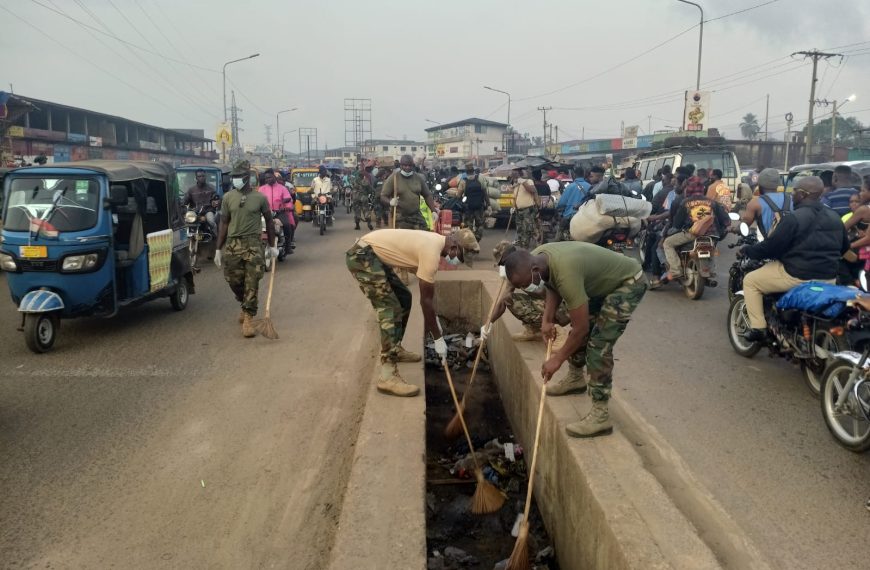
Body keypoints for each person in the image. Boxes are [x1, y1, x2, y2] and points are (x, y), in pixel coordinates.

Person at [502, 242, 647, 438]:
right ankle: (576, 378)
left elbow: (581, 329)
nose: (525, 288)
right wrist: (546, 320)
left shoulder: (566, 273)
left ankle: (600, 415)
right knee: (579, 333)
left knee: (598, 345)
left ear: (534, 270)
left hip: (627, 283)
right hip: (599, 284)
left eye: (524, 284)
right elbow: (553, 286)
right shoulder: (537, 259)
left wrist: (557, 359)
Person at [346, 228, 480, 397]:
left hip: (373, 256)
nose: (456, 262)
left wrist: (435, 322)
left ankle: (396, 348)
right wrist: (438, 339)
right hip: (362, 256)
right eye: (459, 257)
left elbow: (427, 299)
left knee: (404, 298)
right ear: (454, 247)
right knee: (390, 308)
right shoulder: (431, 251)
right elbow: (426, 302)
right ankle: (387, 376)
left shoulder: (435, 242)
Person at [739, 176, 850, 342]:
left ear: (803, 194)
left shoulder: (793, 218)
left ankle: (758, 329)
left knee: (750, 281)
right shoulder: (835, 217)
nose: (792, 196)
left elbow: (771, 248)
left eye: (794, 192)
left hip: (796, 275)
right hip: (829, 278)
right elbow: (844, 248)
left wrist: (748, 250)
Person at [215, 160, 277, 338]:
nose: (234, 179)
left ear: (246, 177)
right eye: (233, 177)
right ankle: (244, 304)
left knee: (252, 281)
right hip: (233, 244)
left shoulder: (260, 198)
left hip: (253, 244)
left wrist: (272, 246)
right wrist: (218, 249)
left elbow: (270, 222)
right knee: (233, 280)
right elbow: (224, 223)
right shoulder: (228, 197)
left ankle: (249, 317)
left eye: (237, 176)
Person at [659, 176, 731, 284]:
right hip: (712, 235)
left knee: (667, 243)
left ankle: (675, 270)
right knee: (711, 247)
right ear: (702, 189)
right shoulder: (712, 202)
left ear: (688, 188)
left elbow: (677, 224)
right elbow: (726, 220)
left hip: (693, 234)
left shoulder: (685, 202)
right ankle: (709, 270)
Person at [381, 154, 437, 230]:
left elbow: (427, 195)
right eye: (405, 165)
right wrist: (390, 202)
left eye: (409, 165)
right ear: (401, 165)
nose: (407, 168)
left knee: (424, 232)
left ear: (413, 165)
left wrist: (433, 211)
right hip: (400, 215)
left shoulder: (418, 178)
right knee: (404, 237)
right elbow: (383, 196)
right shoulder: (394, 178)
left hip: (415, 214)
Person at [741, 167, 793, 238]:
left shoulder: (754, 203)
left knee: (743, 249)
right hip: (791, 245)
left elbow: (744, 225)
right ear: (778, 183)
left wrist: (733, 229)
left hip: (768, 246)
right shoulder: (791, 199)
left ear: (759, 184)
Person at [258, 169, 294, 255]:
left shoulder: (282, 188)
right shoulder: (261, 189)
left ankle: (288, 246)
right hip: (265, 213)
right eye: (266, 178)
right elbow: (257, 201)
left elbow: (289, 200)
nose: (268, 180)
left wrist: (286, 207)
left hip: (279, 213)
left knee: (287, 225)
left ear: (274, 176)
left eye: (270, 177)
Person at [509, 167, 539, 248]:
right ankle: (523, 245)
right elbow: (515, 197)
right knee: (520, 229)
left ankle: (526, 247)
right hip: (518, 210)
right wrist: (513, 207)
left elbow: (533, 190)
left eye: (515, 176)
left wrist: (523, 182)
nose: (513, 178)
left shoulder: (528, 181)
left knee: (527, 229)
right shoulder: (515, 185)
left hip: (528, 209)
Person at [457, 162, 487, 241]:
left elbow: (458, 195)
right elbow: (485, 192)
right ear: (474, 170)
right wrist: (489, 205)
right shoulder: (480, 178)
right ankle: (477, 238)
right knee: (480, 225)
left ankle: (470, 241)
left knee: (467, 226)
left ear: (466, 172)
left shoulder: (463, 181)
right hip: (479, 207)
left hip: (468, 208)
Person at [183, 169, 218, 236]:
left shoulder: (211, 188)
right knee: (186, 221)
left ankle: (217, 237)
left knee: (211, 221)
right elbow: (185, 202)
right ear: (196, 178)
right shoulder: (191, 190)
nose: (202, 178)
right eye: (199, 176)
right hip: (195, 212)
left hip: (208, 211)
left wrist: (215, 202)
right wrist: (183, 206)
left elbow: (216, 199)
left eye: (203, 176)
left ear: (205, 177)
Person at [352, 164, 376, 231]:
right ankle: (369, 224)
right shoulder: (365, 181)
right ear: (363, 175)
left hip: (355, 197)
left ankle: (357, 225)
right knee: (366, 211)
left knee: (357, 212)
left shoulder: (354, 181)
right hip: (364, 198)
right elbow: (370, 190)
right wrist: (369, 192)